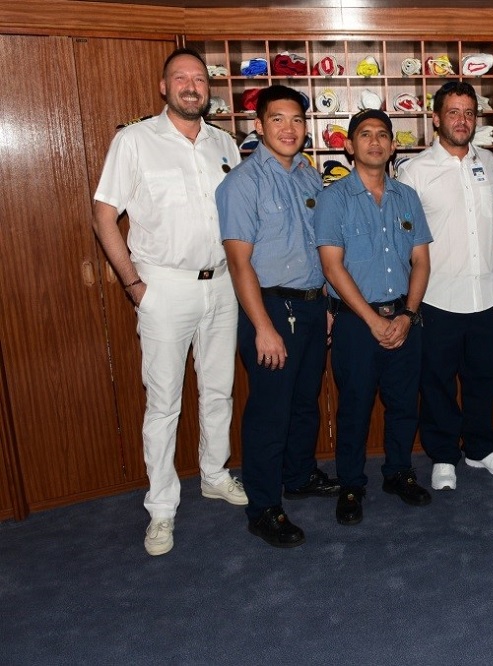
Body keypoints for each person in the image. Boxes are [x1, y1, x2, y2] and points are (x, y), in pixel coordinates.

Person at [92, 47, 246, 557]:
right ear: (164, 87)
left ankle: (214, 473)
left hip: (222, 281)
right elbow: (104, 213)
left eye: (199, 79)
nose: (190, 86)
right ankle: (161, 508)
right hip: (163, 285)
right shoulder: (135, 140)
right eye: (180, 78)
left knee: (219, 389)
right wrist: (134, 284)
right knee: (163, 404)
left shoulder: (224, 143)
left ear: (208, 88)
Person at [216, 85, 340, 549]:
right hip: (269, 307)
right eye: (277, 120)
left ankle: (299, 475)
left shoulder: (309, 177)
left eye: (296, 120)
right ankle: (264, 506)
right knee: (270, 411)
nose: (289, 129)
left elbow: (321, 249)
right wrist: (263, 326)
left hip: (310, 304)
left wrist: (326, 302)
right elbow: (239, 262)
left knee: (305, 400)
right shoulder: (242, 183)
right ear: (259, 126)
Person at [396, 82, 493, 491]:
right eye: (453, 112)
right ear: (436, 118)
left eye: (469, 113)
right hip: (437, 297)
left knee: (485, 379)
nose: (462, 120)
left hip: (486, 293)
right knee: (438, 382)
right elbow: (404, 242)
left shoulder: (490, 162)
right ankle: (444, 455)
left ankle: (480, 449)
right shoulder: (413, 171)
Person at [315, 108, 433, 525]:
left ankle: (398, 472)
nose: (375, 142)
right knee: (355, 408)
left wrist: (407, 315)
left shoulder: (408, 197)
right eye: (365, 135)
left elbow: (421, 261)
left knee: (404, 405)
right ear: (349, 146)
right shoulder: (333, 198)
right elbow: (332, 267)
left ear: (393, 145)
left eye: (383, 135)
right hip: (355, 324)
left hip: (403, 318)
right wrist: (373, 321)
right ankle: (350, 484)